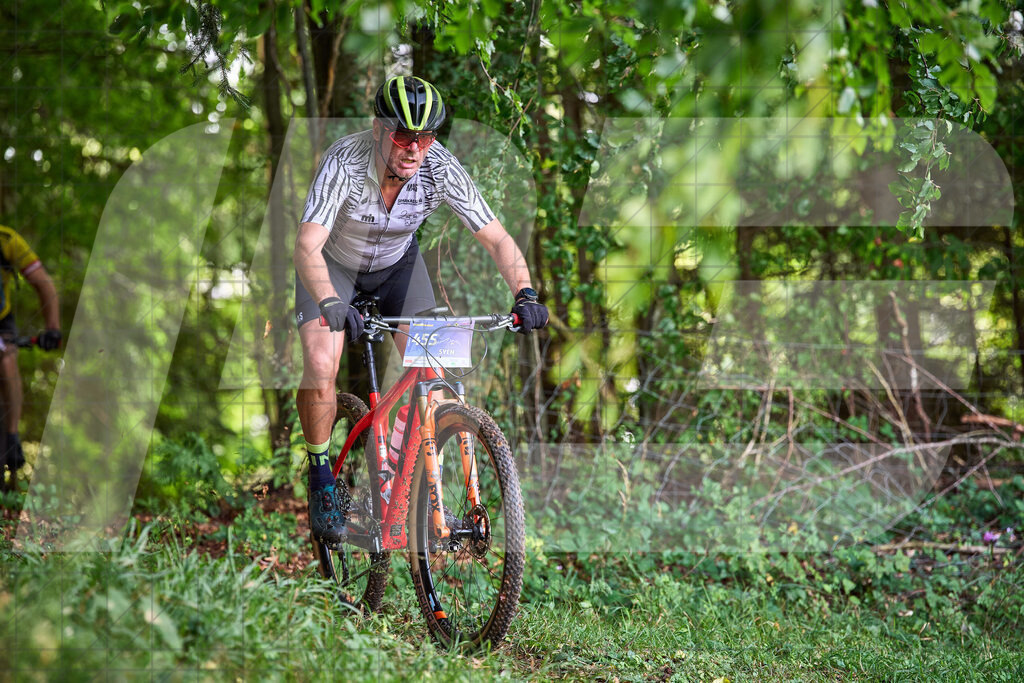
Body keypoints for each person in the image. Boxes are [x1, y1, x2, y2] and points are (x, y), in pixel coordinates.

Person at [293, 76, 548, 547]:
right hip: (332, 266)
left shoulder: (440, 167)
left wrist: (526, 292)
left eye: (425, 137)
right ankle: (321, 475)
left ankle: (414, 484)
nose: (414, 148)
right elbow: (308, 244)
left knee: (433, 374)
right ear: (378, 130)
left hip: (397, 267)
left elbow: (496, 238)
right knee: (322, 363)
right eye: (403, 136)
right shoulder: (343, 163)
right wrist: (330, 300)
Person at [0, 225, 61, 474]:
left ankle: (12, 437)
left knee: (7, 360)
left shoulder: (7, 240)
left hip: (1, 319)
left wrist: (53, 328)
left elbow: (43, 283)